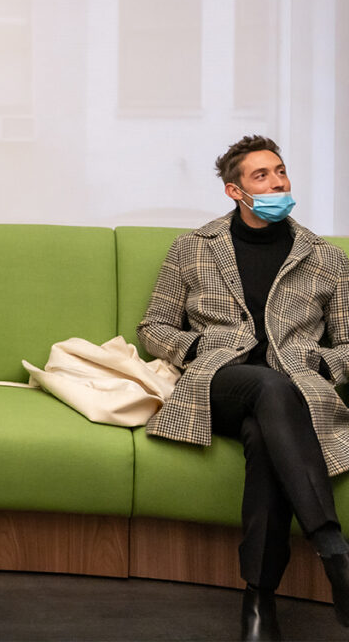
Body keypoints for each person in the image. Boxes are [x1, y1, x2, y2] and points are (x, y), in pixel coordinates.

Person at [138, 135, 349, 641]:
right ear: (235, 191)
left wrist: (319, 362)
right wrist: (196, 352)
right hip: (219, 382)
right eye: (262, 176)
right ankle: (335, 553)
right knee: (264, 390)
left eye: (280, 171)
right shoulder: (193, 248)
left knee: (264, 430)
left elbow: (348, 343)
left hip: (292, 392)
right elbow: (154, 327)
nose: (277, 182)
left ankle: (258, 601)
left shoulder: (325, 258)